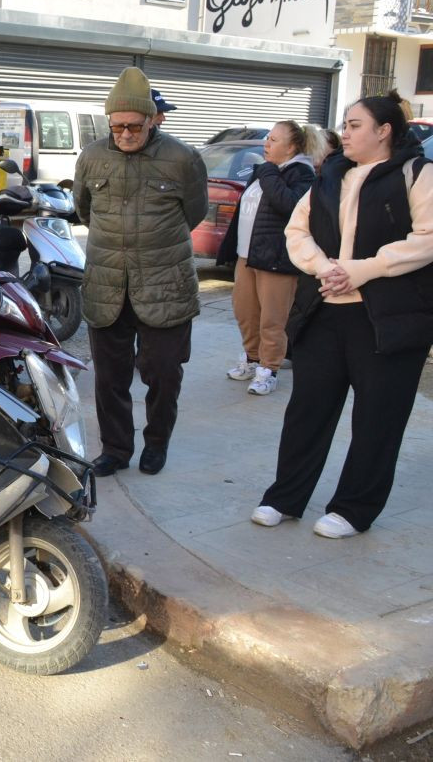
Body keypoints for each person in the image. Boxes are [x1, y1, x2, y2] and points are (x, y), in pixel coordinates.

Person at [252, 91, 433, 538]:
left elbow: (427, 238)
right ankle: (285, 497)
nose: (344, 133)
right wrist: (325, 268)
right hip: (325, 312)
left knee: (377, 419)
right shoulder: (331, 175)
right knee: (306, 412)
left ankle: (354, 509)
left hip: (387, 320)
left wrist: (360, 270)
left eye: (354, 125)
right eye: (346, 125)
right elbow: (298, 230)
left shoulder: (418, 174)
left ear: (384, 130)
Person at [73, 67, 208, 477]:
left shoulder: (183, 159)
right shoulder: (92, 157)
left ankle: (157, 443)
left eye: (134, 126)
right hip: (107, 284)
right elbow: (84, 209)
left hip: (165, 283)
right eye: (117, 127)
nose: (126, 134)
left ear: (153, 120)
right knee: (109, 378)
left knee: (164, 373)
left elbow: (194, 213)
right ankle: (115, 449)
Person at [215, 120, 321, 395]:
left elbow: (288, 204)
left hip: (276, 259)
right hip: (246, 256)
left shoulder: (302, 173)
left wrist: (270, 173)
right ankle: (251, 359)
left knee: (272, 319)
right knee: (245, 313)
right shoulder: (266, 170)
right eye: (268, 138)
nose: (267, 144)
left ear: (292, 146)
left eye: (274, 140)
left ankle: (269, 369)